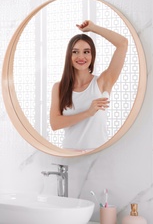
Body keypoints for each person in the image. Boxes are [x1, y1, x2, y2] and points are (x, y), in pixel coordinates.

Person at [50, 20, 127, 150]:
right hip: (70, 156)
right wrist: (88, 112)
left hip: (99, 156)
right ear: (69, 55)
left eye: (86, 52)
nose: (81, 57)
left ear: (92, 55)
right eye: (75, 52)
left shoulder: (103, 82)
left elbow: (123, 44)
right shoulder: (59, 87)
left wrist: (93, 28)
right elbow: (55, 124)